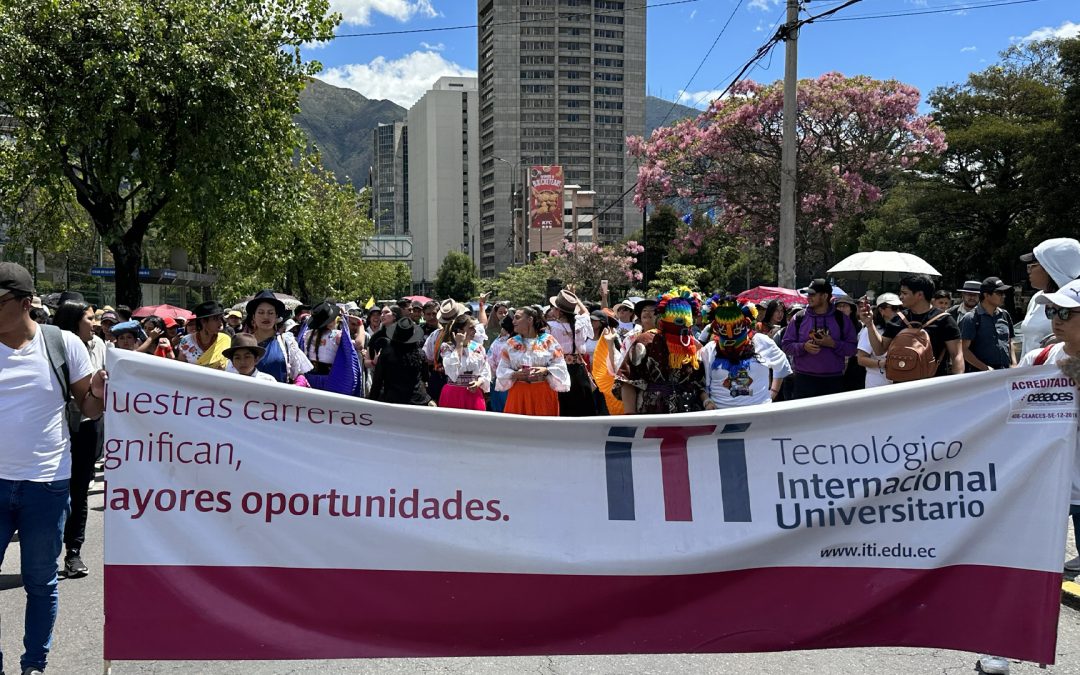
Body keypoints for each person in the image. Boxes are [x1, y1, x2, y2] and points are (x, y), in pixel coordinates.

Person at [0, 262, 106, 675]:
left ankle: (34, 666)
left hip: (46, 483)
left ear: (26, 303)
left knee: (41, 582)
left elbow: (89, 409)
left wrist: (96, 394)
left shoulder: (61, 344)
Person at [1019, 279, 1080, 573]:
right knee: (1029, 565)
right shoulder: (1037, 358)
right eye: (1053, 312)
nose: (1057, 320)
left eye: (1066, 313)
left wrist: (1071, 368)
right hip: (1043, 485)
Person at [51, 300, 107, 580]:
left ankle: (73, 552)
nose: (94, 324)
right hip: (56, 430)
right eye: (89, 318)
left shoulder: (99, 346)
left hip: (87, 427)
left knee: (79, 490)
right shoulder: (52, 346)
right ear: (73, 321)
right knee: (54, 493)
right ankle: (45, 553)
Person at [618, 287, 706, 414]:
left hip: (688, 413)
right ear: (663, 317)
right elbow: (628, 381)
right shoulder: (646, 341)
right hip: (652, 413)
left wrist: (707, 402)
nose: (680, 322)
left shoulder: (693, 346)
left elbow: (699, 384)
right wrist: (630, 416)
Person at [865, 274, 965, 379]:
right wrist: (869, 324)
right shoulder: (898, 318)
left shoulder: (944, 320)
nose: (901, 297)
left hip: (932, 387)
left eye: (904, 293)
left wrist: (958, 383)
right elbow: (879, 350)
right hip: (901, 385)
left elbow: (956, 355)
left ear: (919, 295)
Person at [699, 296, 791, 408]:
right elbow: (699, 382)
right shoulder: (710, 349)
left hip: (759, 414)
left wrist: (773, 392)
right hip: (721, 416)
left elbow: (782, 365)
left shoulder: (761, 341)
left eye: (736, 329)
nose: (730, 335)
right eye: (724, 330)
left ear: (745, 324)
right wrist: (707, 401)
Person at [781, 279, 858, 399]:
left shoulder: (841, 319)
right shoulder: (799, 318)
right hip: (804, 380)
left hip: (833, 381)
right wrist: (803, 347)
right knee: (804, 418)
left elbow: (852, 349)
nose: (808, 297)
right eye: (808, 294)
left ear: (824, 296)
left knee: (831, 418)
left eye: (813, 294)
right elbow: (786, 345)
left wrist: (833, 344)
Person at [495, 305, 570, 416]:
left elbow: (561, 365)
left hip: (543, 392)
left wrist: (545, 370)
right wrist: (515, 374)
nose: (513, 321)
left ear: (530, 320)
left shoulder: (549, 341)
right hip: (519, 393)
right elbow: (502, 368)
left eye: (517, 317)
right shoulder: (511, 343)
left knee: (543, 428)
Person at [1019, 238, 1080, 357]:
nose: (1029, 271)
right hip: (1033, 371)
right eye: (1051, 312)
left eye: (1032, 265)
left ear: (1051, 268)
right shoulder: (1037, 298)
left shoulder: (1076, 300)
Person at [245, 289, 313, 384]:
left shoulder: (287, 342)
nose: (266, 316)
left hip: (281, 398)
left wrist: (298, 385)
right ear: (253, 316)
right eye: (261, 312)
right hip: (250, 397)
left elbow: (299, 374)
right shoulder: (244, 342)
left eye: (270, 313)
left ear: (276, 316)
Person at [547, 289, 596, 417]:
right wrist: (575, 298)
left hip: (559, 368)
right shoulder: (580, 322)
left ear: (559, 311)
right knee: (582, 405)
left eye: (554, 308)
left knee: (564, 404)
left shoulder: (550, 326)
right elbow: (585, 312)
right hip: (579, 369)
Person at [369, 317, 434, 406]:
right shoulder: (420, 353)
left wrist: (371, 402)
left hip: (392, 400)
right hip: (417, 401)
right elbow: (426, 377)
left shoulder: (386, 353)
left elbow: (377, 380)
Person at [959, 277, 1015, 372]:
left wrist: (1014, 363)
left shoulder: (1005, 315)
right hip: (981, 377)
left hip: (1005, 372)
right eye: (999, 293)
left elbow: (1010, 342)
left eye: (1003, 293)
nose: (1003, 296)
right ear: (986, 295)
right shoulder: (971, 318)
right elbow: (963, 350)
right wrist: (985, 368)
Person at [438, 315, 491, 410]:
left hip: (473, 393)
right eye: (471, 328)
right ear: (460, 330)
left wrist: (479, 382)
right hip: (453, 393)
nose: (475, 331)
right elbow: (452, 371)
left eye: (474, 328)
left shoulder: (478, 348)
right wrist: (459, 345)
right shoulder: (447, 347)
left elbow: (485, 370)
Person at [856, 293, 902, 388]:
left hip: (897, 381)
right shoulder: (870, 330)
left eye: (900, 308)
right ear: (881, 310)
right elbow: (861, 359)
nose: (898, 311)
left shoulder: (901, 329)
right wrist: (881, 364)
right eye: (894, 308)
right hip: (877, 382)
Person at [175, 301, 230, 369]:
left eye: (220, 319)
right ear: (203, 321)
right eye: (216, 319)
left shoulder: (225, 339)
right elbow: (180, 368)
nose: (220, 323)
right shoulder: (186, 341)